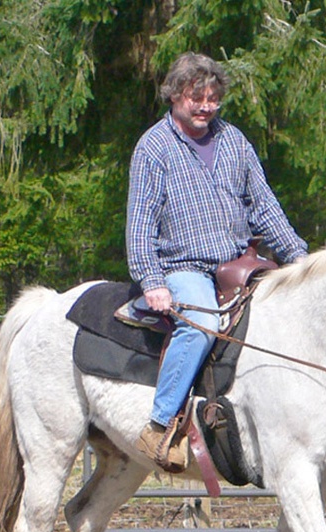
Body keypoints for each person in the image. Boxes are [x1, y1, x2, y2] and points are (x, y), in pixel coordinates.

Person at [126, 52, 308, 471]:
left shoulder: (233, 140)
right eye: (196, 97)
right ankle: (160, 427)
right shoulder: (154, 147)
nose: (206, 106)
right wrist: (151, 280)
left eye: (212, 97)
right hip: (184, 266)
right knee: (203, 324)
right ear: (174, 95)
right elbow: (139, 223)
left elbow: (265, 207)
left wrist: (300, 261)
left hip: (240, 261)